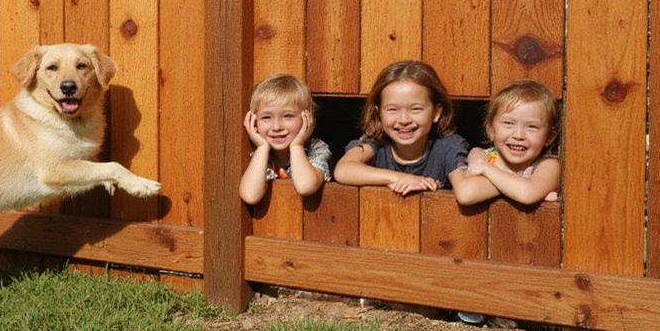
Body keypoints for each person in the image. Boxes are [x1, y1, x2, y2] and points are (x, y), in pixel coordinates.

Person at [333, 60, 468, 194]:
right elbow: (343, 170)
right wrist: (400, 178)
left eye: (416, 109)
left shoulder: (447, 147)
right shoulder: (376, 144)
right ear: (379, 113)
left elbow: (466, 192)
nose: (404, 120)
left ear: (436, 113)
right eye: (392, 109)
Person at [451, 80, 561, 206]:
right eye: (508, 123)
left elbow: (527, 194)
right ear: (491, 130)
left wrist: (486, 170)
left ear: (549, 136)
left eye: (532, 127)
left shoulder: (548, 166)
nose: (518, 135)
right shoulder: (482, 156)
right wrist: (521, 185)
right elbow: (467, 194)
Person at [240, 74, 332, 205]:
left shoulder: (316, 149)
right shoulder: (261, 155)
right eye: (266, 117)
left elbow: (305, 186)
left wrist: (297, 146)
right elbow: (250, 195)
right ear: (253, 121)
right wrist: (262, 148)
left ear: (308, 118)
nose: (277, 127)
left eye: (288, 116)